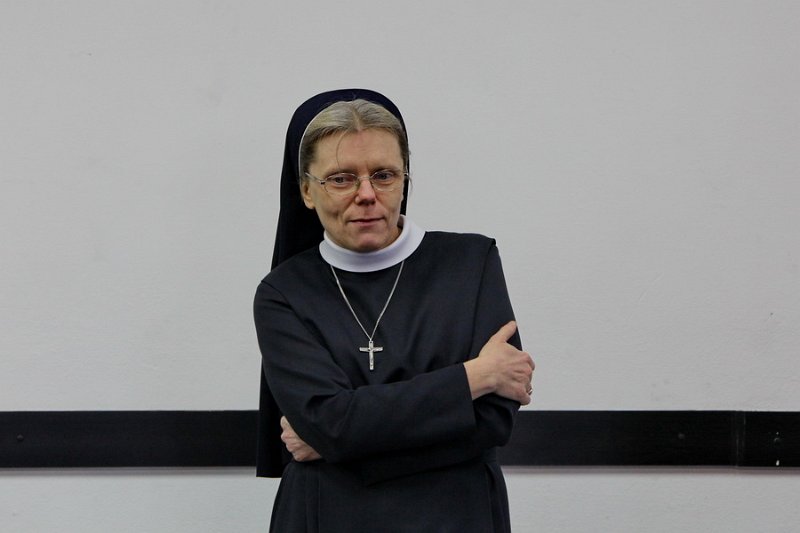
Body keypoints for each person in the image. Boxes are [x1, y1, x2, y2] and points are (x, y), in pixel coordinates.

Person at [253, 88, 534, 532]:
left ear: (405, 179)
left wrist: (342, 443)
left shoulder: (471, 264)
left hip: (457, 515)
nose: (367, 194)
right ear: (306, 190)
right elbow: (330, 424)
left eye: (384, 175)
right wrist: (472, 379)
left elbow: (493, 421)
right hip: (328, 517)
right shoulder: (284, 293)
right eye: (341, 179)